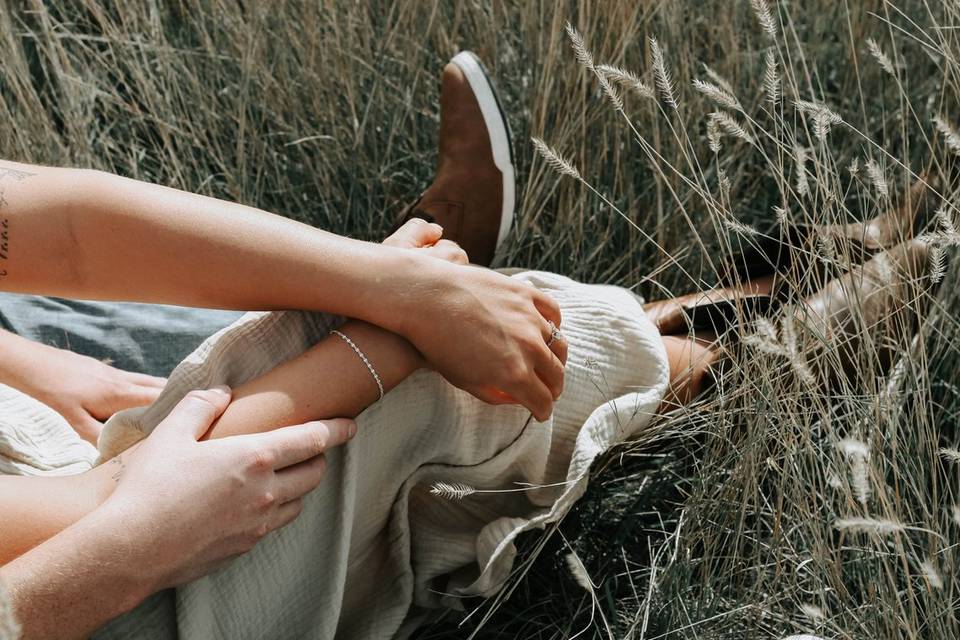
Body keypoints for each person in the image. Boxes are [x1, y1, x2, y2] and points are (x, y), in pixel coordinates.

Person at [0, 52, 939, 638]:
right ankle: (798, 346)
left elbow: (60, 226)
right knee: (415, 396)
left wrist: (394, 287)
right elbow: (127, 505)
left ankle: (778, 297)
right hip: (91, 572)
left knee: (321, 330)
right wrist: (390, 338)